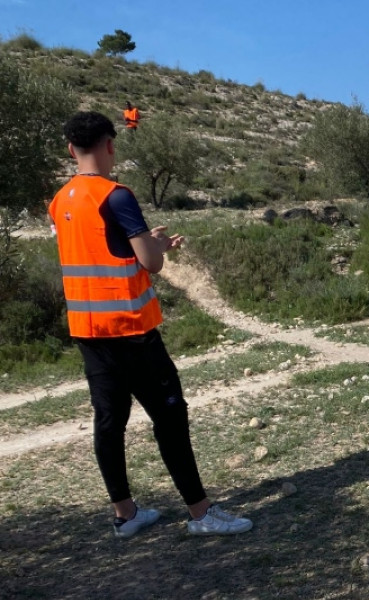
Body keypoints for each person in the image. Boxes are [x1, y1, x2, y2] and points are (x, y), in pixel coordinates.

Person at [49, 111, 252, 539]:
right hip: (131, 330)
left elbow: (98, 251)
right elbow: (151, 263)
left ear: (71, 149)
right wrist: (158, 244)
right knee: (170, 418)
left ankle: (126, 514)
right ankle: (201, 513)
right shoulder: (116, 196)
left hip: (88, 332)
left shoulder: (60, 200)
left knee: (109, 420)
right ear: (109, 145)